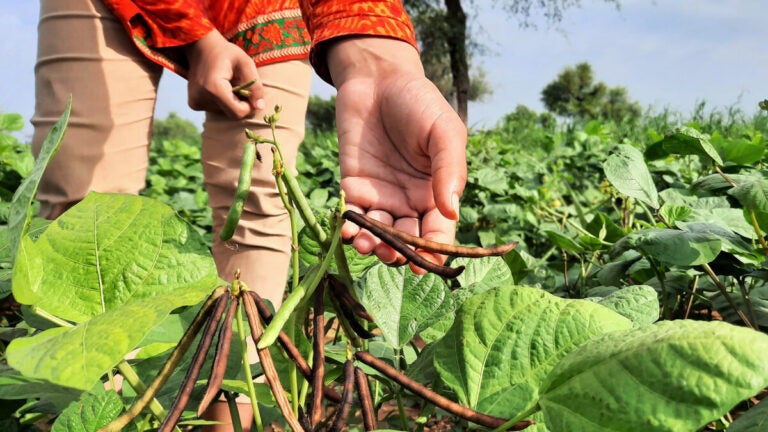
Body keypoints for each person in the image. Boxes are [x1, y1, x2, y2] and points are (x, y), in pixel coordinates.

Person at [32, 0, 467, 430]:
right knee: (81, 206)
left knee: (259, 206)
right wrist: (197, 36)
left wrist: (379, 65)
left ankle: (230, 422)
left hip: (261, 8)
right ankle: (95, 416)